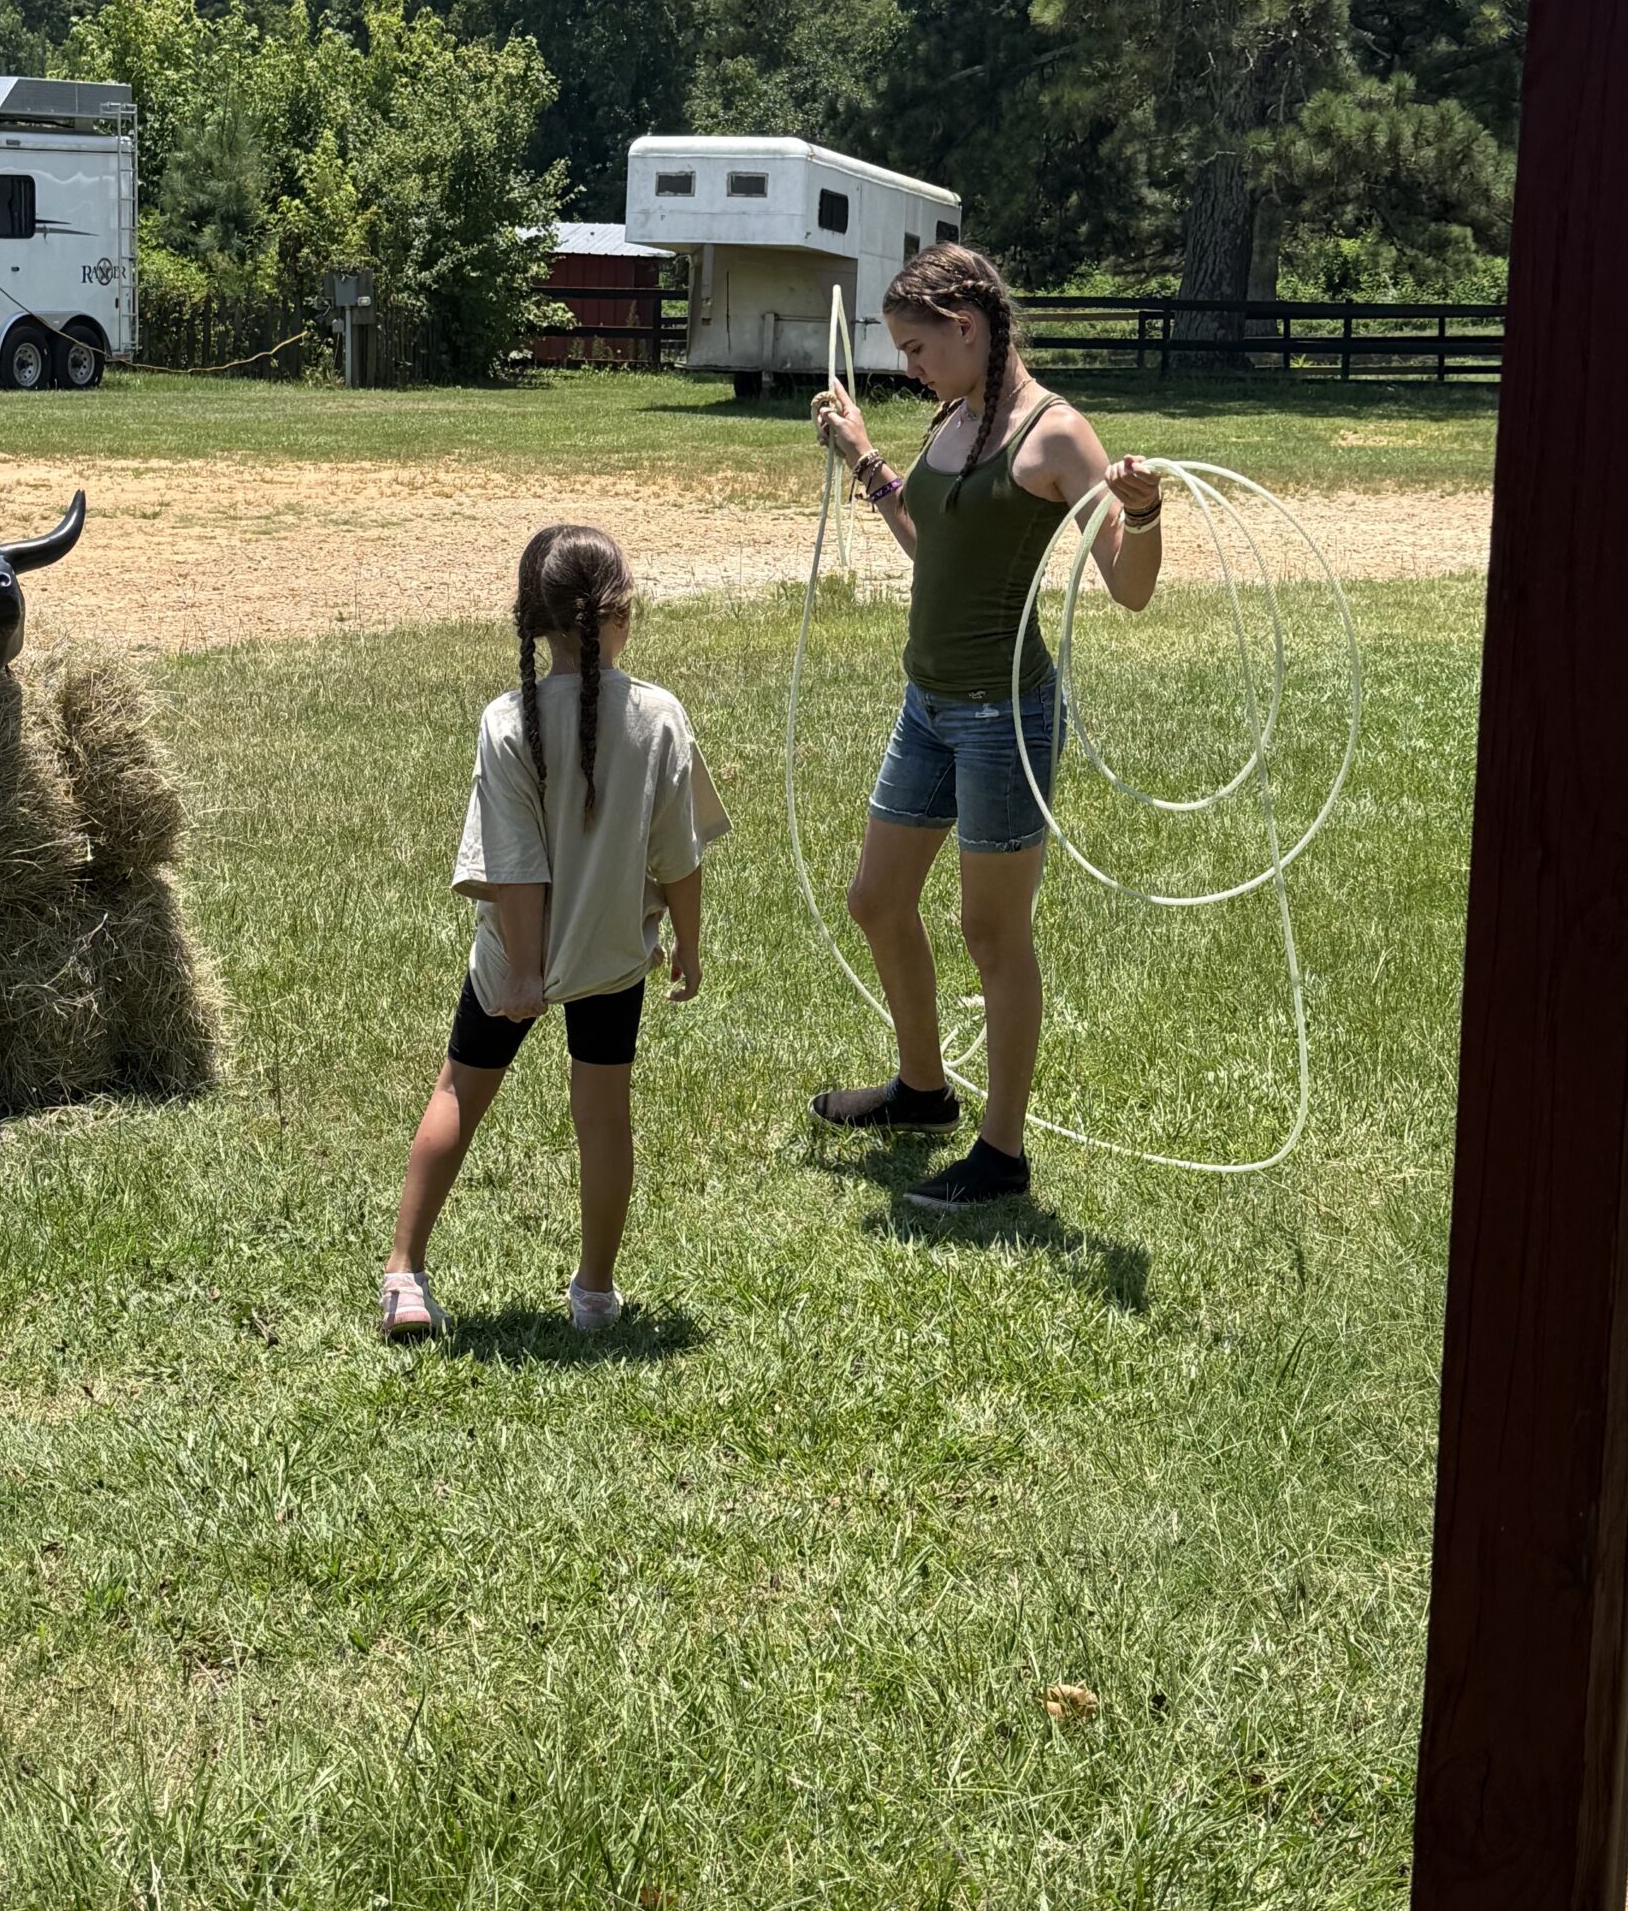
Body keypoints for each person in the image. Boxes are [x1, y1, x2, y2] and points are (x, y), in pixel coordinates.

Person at [808, 240, 1164, 1211]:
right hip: (927, 704)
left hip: (1003, 718)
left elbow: (1129, 586)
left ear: (966, 327)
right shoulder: (956, 416)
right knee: (877, 900)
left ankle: (1002, 1155)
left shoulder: (1057, 436)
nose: (910, 368)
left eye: (918, 348)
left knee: (992, 932)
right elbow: (936, 544)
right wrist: (865, 458)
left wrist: (1146, 513)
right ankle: (924, 1092)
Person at [381, 524, 730, 1338]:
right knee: (604, 1119)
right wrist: (689, 943)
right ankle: (595, 1294)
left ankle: (405, 1274)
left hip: (514, 952)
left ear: (534, 621)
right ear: (621, 614)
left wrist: (525, 970)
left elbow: (514, 862)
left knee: (458, 1094)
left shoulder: (507, 721)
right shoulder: (660, 717)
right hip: (613, 953)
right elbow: (678, 857)